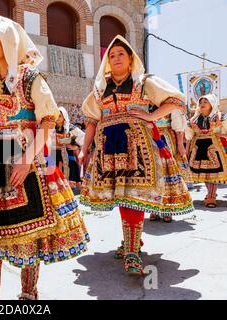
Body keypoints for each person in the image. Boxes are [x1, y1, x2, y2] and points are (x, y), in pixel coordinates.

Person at [0, 14, 89, 300]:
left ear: (9, 42)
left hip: (23, 156)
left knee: (28, 233)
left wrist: (27, 160)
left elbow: (48, 120)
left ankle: (28, 295)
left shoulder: (29, 77)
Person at [79, 35, 194, 276]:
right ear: (107, 61)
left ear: (131, 58)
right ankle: (133, 242)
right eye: (112, 55)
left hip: (138, 146)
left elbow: (175, 100)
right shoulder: (100, 88)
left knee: (134, 194)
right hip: (108, 146)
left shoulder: (143, 82)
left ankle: (131, 251)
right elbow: (91, 121)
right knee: (122, 197)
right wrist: (84, 150)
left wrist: (151, 117)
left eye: (121, 53)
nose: (116, 58)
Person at [148, 82, 193, 222]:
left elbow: (178, 126)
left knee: (167, 172)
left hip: (165, 139)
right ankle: (154, 208)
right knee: (153, 174)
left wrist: (180, 145)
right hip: (149, 139)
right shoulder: (144, 103)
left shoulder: (169, 103)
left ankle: (168, 209)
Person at [187, 94, 227, 208]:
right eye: (201, 102)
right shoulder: (194, 119)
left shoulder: (221, 117)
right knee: (204, 172)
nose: (202, 104)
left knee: (214, 172)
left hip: (215, 148)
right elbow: (189, 135)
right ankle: (210, 194)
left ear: (212, 104)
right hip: (198, 147)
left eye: (206, 101)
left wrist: (222, 134)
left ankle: (211, 196)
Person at [53, 107, 85, 194]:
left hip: (67, 154)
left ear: (64, 117)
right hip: (55, 153)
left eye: (59, 116)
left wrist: (76, 147)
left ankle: (69, 191)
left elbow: (83, 137)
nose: (57, 118)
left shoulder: (70, 128)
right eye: (56, 116)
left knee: (71, 166)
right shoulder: (52, 127)